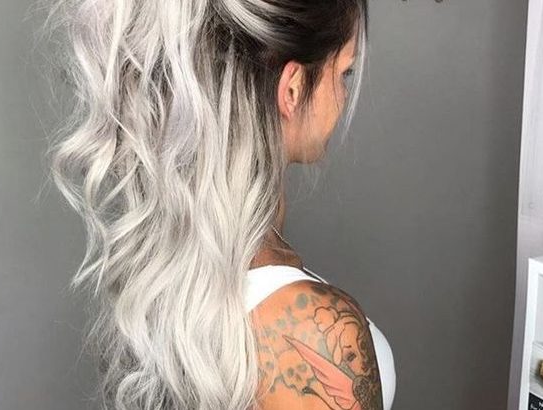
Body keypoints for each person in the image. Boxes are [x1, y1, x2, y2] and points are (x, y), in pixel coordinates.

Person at [39, 0, 395, 408]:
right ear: (293, 88)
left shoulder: (172, 277)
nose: (344, 95)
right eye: (345, 72)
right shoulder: (312, 331)